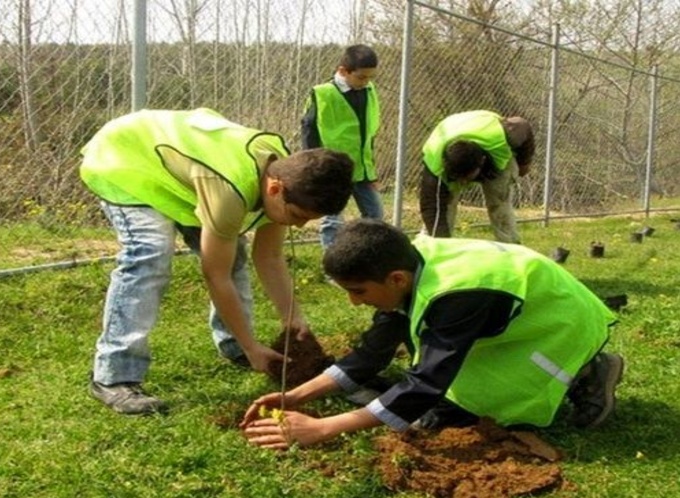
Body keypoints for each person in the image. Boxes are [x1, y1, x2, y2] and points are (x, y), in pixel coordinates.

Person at [241, 219, 624, 449]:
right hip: (512, 318)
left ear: (395, 279)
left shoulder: (454, 295)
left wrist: (325, 427)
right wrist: (295, 396)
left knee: (476, 413)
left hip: (557, 326)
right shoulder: (407, 264)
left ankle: (589, 373)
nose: (355, 303)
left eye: (358, 291)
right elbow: (372, 353)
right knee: (443, 405)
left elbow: (427, 383)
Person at [79, 108, 354, 416]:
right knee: (150, 253)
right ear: (274, 189)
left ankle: (234, 345)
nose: (300, 226)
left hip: (181, 171)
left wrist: (294, 320)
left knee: (231, 252)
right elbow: (215, 276)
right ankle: (113, 376)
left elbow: (270, 257)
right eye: (299, 217)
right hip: (127, 157)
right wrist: (253, 345)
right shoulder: (230, 189)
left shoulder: (287, 176)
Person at [301, 44, 383, 249]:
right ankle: (333, 263)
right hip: (333, 169)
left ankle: (366, 256)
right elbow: (308, 130)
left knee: (375, 215)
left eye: (370, 78)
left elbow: (368, 133)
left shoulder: (368, 90)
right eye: (362, 77)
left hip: (361, 169)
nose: (366, 82)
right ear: (343, 71)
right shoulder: (322, 94)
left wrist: (370, 169)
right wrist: (312, 167)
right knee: (333, 220)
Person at [419, 110, 535, 244]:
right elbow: (431, 208)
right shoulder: (435, 165)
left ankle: (511, 248)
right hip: (451, 138)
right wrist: (442, 245)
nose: (463, 183)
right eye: (459, 179)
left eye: (466, 178)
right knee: (444, 206)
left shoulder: (506, 135)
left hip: (491, 147)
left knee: (499, 203)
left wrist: (524, 163)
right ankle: (430, 246)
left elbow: (523, 125)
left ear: (481, 162)